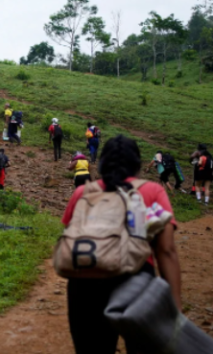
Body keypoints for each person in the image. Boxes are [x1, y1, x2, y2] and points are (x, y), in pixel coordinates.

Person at [61, 135, 181, 354]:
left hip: (84, 283)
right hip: (135, 282)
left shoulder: (82, 192)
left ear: (103, 163)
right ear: (136, 164)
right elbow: (166, 250)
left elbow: (69, 235)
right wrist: (174, 307)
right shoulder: (152, 191)